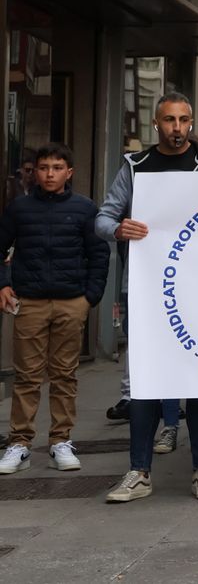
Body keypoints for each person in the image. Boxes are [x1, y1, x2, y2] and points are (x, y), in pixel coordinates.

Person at [96, 92, 198, 503]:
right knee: (145, 383)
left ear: (191, 122)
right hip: (149, 291)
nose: (177, 127)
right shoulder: (136, 166)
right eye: (169, 120)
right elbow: (104, 216)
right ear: (157, 124)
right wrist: (119, 230)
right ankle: (139, 472)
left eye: (184, 120)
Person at [0, 143, 107, 476]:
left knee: (64, 376)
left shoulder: (85, 208)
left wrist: (89, 297)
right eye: (44, 167)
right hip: (29, 302)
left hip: (70, 301)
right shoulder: (19, 208)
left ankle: (61, 440)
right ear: (35, 171)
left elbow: (99, 254)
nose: (49, 174)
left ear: (69, 172)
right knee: (27, 378)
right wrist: (3, 284)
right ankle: (19, 444)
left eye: (57, 167)